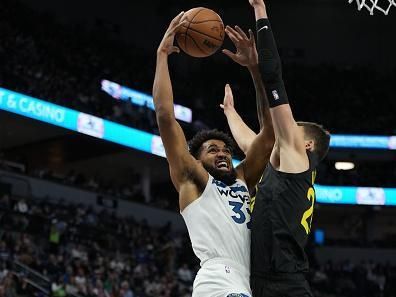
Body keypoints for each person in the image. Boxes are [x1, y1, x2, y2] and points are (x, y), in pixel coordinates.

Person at [152, 12, 274, 297]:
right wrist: (162, 55)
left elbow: (268, 136)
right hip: (219, 277)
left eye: (226, 150)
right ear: (197, 159)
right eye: (212, 150)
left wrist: (255, 70)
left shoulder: (242, 177)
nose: (222, 154)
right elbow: (165, 115)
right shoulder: (192, 179)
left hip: (246, 282)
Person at [224, 1, 331, 296]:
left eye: (293, 128)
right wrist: (230, 111)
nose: (287, 128)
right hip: (261, 279)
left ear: (306, 144)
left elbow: (275, 80)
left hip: (282, 284)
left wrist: (260, 9)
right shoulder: (282, 165)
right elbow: (259, 139)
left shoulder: (297, 158)